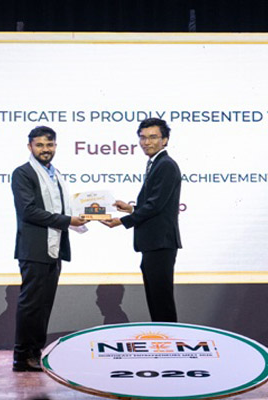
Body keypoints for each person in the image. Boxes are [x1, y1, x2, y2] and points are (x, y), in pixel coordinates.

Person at [11, 126, 87, 372]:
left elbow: (61, 208)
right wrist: (67, 220)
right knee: (32, 305)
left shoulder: (56, 174)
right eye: (40, 145)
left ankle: (35, 353)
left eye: (50, 145)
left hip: (53, 249)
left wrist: (83, 215)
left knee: (43, 305)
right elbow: (29, 211)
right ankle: (22, 357)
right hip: (34, 249)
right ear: (30, 147)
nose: (45, 149)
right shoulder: (23, 173)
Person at [102, 118, 182, 322]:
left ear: (165, 140)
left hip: (160, 242)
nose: (146, 142)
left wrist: (123, 221)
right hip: (154, 243)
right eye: (143, 138)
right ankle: (164, 336)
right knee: (156, 299)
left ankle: (168, 338)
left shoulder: (165, 165)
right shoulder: (156, 164)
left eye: (153, 137)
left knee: (161, 301)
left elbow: (155, 206)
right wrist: (131, 208)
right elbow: (156, 204)